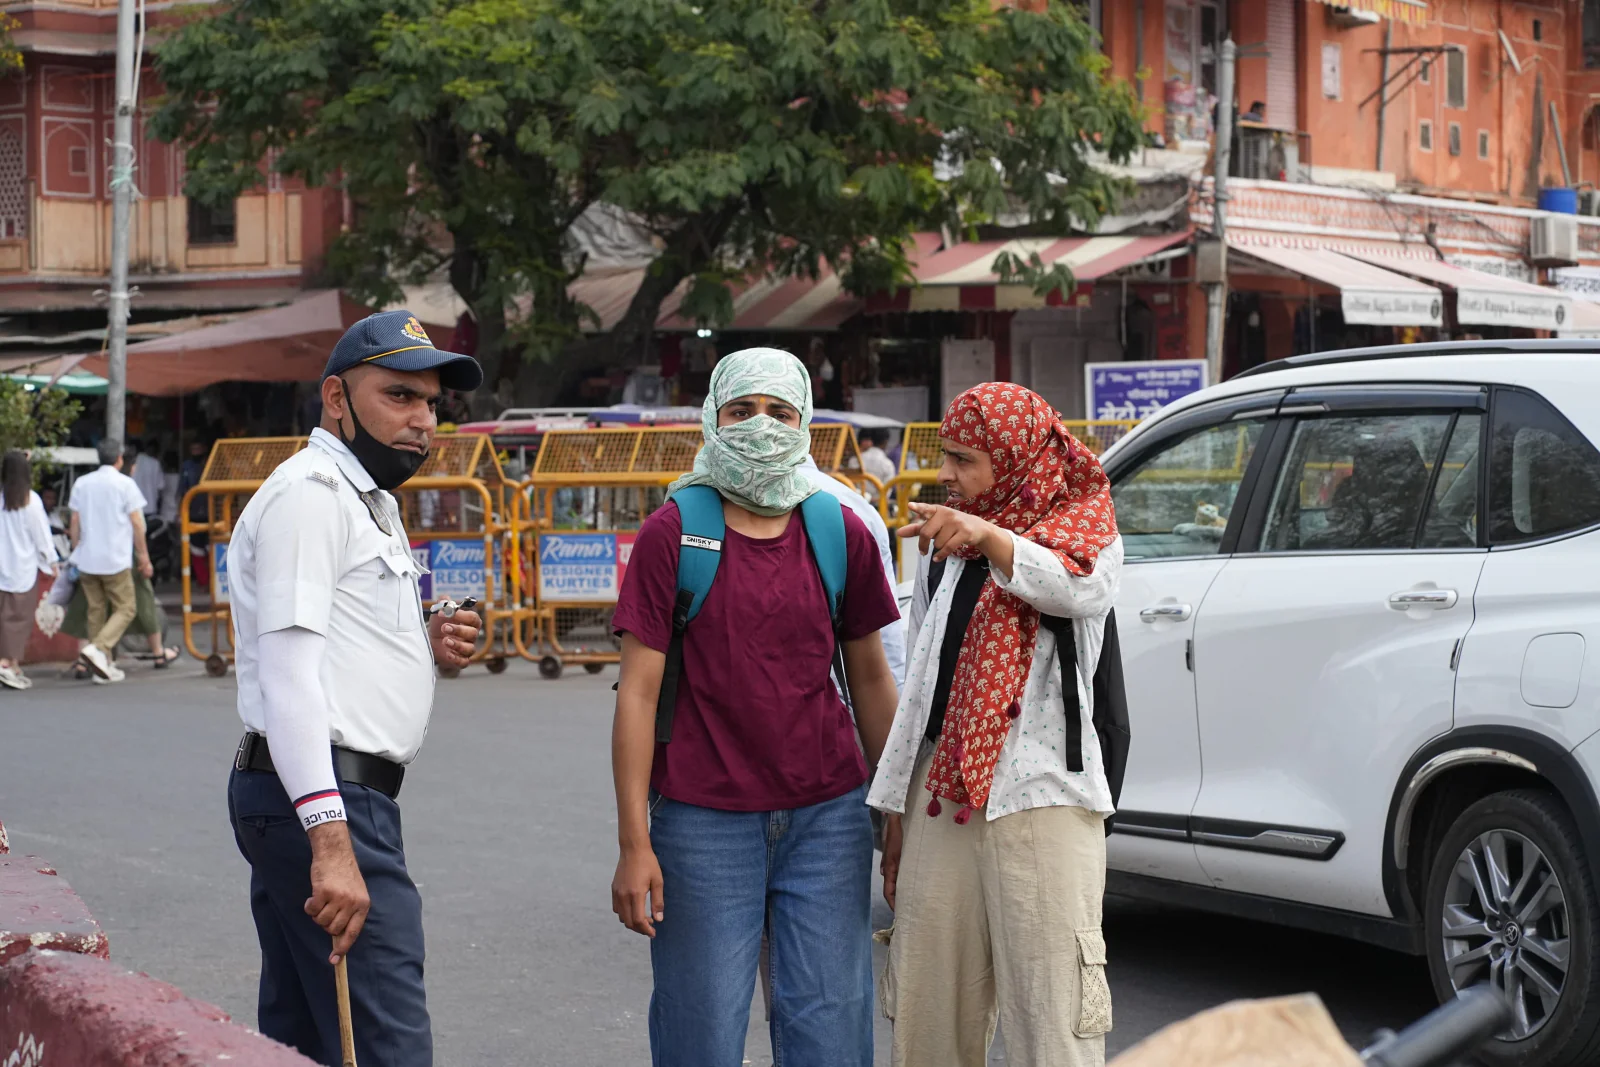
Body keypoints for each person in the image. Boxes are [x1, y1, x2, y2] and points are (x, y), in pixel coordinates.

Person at [609, 347, 902, 1067]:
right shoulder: (672, 533)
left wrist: (896, 816)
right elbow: (638, 694)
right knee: (699, 1032)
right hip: (702, 824)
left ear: (805, 421)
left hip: (828, 819)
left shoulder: (839, 528)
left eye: (780, 411)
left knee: (830, 1034)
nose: (760, 426)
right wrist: (633, 842)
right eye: (741, 410)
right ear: (712, 417)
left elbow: (869, 680)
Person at [225, 310, 482, 1067]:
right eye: (400, 397)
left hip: (315, 792)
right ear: (336, 397)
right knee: (387, 1042)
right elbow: (290, 678)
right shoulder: (311, 495)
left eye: (431, 404)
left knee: (306, 1039)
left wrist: (423, 643)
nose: (422, 421)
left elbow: (338, 643)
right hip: (327, 795)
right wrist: (331, 842)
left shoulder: (366, 495)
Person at [869, 383, 1123, 1067]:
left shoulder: (1084, 529)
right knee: (927, 1012)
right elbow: (924, 681)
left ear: (1011, 459)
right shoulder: (947, 541)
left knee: (1053, 1023)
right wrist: (896, 809)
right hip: (942, 793)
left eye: (963, 459)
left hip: (1041, 795)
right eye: (944, 457)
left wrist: (993, 539)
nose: (946, 475)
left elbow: (1076, 587)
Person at [68, 438, 150, 683]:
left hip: (88, 558)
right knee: (126, 607)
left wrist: (76, 550)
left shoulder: (82, 483)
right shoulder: (125, 484)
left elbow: (74, 521)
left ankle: (102, 664)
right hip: (115, 558)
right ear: (119, 459)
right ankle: (99, 649)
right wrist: (143, 555)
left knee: (96, 610)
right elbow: (137, 522)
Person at [0, 451, 57, 689]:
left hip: (1, 567)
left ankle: (12, 665)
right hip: (21, 569)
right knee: (18, 620)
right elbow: (42, 537)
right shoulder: (30, 501)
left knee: (4, 619)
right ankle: (5, 663)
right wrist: (52, 563)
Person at [131, 438, 165, 519]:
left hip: (133, 508)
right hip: (150, 507)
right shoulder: (155, 463)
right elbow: (161, 486)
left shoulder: (131, 463)